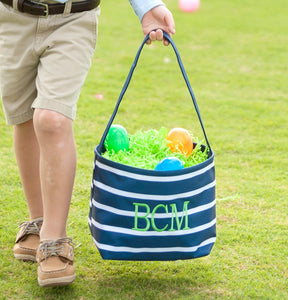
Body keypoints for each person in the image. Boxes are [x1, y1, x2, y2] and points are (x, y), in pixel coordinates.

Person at [0, 0, 175, 287]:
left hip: (73, 18)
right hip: (11, 17)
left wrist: (146, 5)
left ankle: (54, 239)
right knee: (24, 118)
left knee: (51, 118)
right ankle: (38, 221)